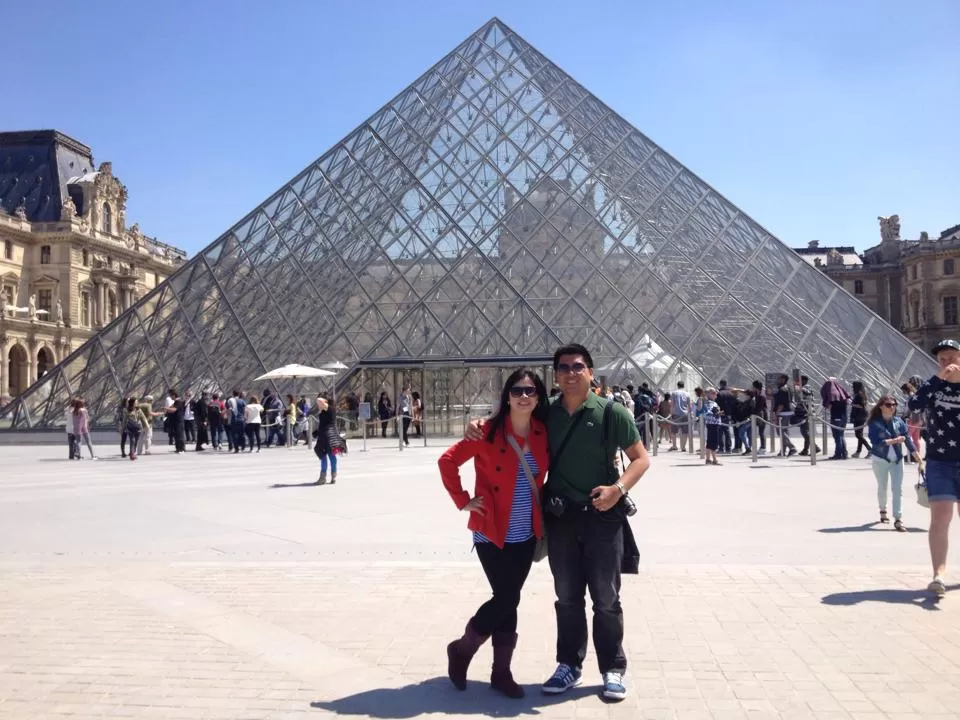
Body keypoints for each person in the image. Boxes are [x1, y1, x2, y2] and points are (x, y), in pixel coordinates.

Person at [466, 344, 650, 701]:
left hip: (602, 517)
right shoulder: (546, 410)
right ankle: (569, 664)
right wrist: (478, 423)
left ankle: (612, 667)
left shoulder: (612, 412)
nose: (570, 372)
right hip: (561, 517)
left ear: (591, 372)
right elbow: (509, 418)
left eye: (577, 366)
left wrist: (618, 488)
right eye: (563, 367)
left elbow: (640, 459)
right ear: (555, 375)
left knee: (607, 597)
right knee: (566, 597)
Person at [440, 369, 550, 698]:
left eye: (531, 390)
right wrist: (463, 501)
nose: (524, 396)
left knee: (508, 599)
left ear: (539, 396)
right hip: (491, 530)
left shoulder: (544, 431)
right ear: (507, 396)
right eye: (517, 390)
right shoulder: (486, 431)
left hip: (525, 531)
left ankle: (498, 671)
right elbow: (447, 461)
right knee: (508, 597)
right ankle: (464, 651)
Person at [909, 339, 960, 598]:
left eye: (951, 356)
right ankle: (938, 573)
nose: (947, 362)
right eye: (941, 359)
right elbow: (914, 405)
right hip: (940, 461)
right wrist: (938, 378)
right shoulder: (934, 387)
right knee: (939, 520)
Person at [866, 395, 918, 532]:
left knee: (897, 489)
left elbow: (906, 438)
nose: (892, 407)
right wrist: (895, 441)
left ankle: (898, 519)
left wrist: (916, 455)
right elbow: (875, 444)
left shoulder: (898, 421)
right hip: (880, 460)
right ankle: (883, 510)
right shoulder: (875, 423)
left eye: (894, 404)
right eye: (888, 405)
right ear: (881, 406)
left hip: (897, 460)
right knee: (882, 486)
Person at [313, 396, 345, 484]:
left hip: (330, 438)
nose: (318, 405)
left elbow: (319, 400)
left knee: (331, 456)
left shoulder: (330, 409)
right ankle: (326, 477)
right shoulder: (324, 411)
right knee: (325, 456)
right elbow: (323, 423)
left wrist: (323, 400)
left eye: (319, 404)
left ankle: (331, 476)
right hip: (324, 436)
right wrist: (317, 432)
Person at [821, 378, 850, 460]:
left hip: (836, 418)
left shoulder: (832, 396)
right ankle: (844, 453)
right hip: (844, 418)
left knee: (837, 436)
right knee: (841, 435)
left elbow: (827, 406)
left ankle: (838, 454)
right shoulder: (842, 395)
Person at [772, 374, 796, 457]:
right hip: (787, 412)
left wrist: (777, 414)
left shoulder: (782, 389)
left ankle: (792, 448)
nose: (777, 380)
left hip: (783, 413)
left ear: (783, 379)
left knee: (781, 432)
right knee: (784, 431)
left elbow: (781, 403)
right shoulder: (788, 388)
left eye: (779, 379)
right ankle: (783, 450)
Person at [698, 387, 722, 465]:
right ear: (710, 394)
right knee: (713, 442)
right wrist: (717, 413)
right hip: (713, 424)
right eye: (714, 393)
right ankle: (713, 459)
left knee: (710, 442)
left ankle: (709, 459)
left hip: (713, 424)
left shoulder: (711, 402)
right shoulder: (708, 402)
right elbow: (708, 412)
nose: (716, 395)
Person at [850, 381, 872, 458]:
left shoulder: (859, 395)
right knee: (860, 435)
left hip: (858, 417)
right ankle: (858, 451)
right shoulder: (862, 393)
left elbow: (861, 406)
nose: (852, 388)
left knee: (858, 435)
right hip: (862, 417)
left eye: (853, 386)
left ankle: (870, 449)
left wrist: (852, 404)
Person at [166, 389, 186, 454]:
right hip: (177, 421)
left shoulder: (178, 402)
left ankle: (181, 448)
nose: (170, 397)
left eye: (171, 395)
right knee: (177, 435)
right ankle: (178, 448)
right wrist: (167, 409)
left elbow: (174, 409)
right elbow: (171, 408)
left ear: (174, 395)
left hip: (178, 421)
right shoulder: (176, 402)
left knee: (179, 435)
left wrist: (166, 409)